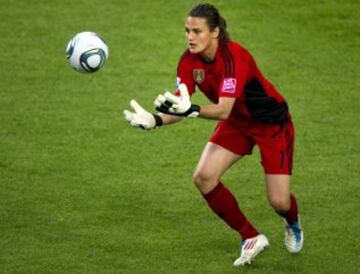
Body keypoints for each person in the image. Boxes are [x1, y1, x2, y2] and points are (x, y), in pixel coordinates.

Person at [124, 3, 303, 266]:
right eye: (187, 30)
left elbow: (222, 109)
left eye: (197, 31)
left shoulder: (233, 58)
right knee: (204, 177)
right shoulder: (188, 60)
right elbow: (180, 104)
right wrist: (155, 120)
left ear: (215, 32)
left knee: (279, 201)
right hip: (237, 123)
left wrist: (192, 109)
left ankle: (292, 221)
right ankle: (251, 237)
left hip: (270, 124)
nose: (190, 37)